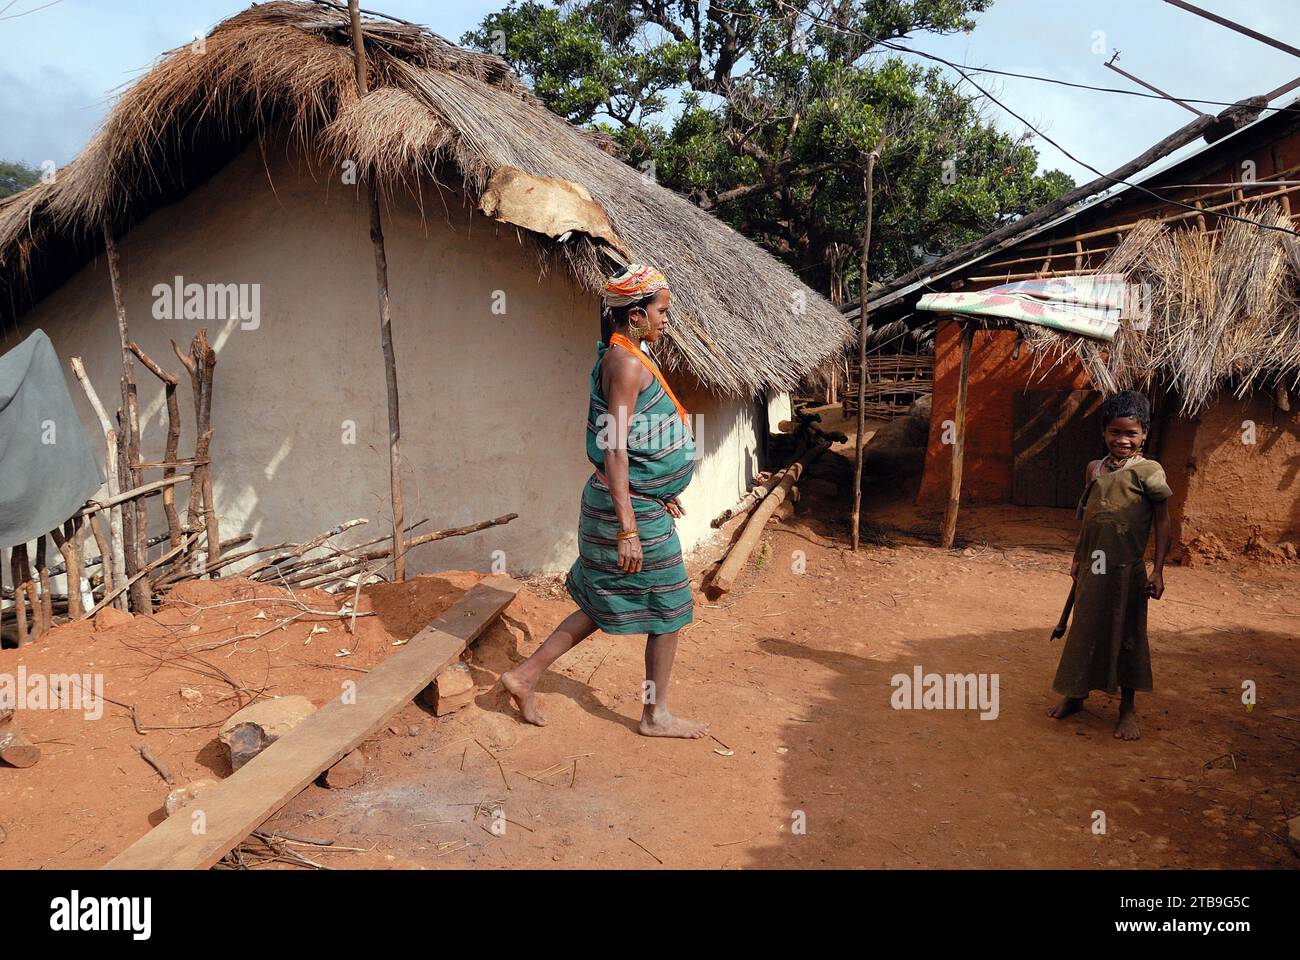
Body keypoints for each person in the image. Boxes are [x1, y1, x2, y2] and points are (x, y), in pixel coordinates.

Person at [501, 264, 708, 739]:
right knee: (671, 606)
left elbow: (630, 443)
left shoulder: (626, 356)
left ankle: (524, 675)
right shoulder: (627, 364)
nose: (665, 321)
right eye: (660, 312)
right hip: (623, 511)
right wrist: (629, 525)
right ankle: (655, 715)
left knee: (601, 600)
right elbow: (615, 446)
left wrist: (653, 488)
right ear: (635, 314)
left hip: (631, 500)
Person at [1048, 390, 1172, 741]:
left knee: (1127, 635)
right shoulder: (1094, 469)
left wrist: (1158, 570)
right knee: (1085, 627)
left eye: (1131, 433)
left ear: (1144, 433)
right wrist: (1077, 557)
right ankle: (1075, 695)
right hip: (1094, 566)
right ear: (1104, 432)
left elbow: (1163, 522)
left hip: (1126, 571)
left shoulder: (1150, 472)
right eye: (1115, 432)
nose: (1122, 440)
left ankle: (1127, 709)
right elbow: (1089, 520)